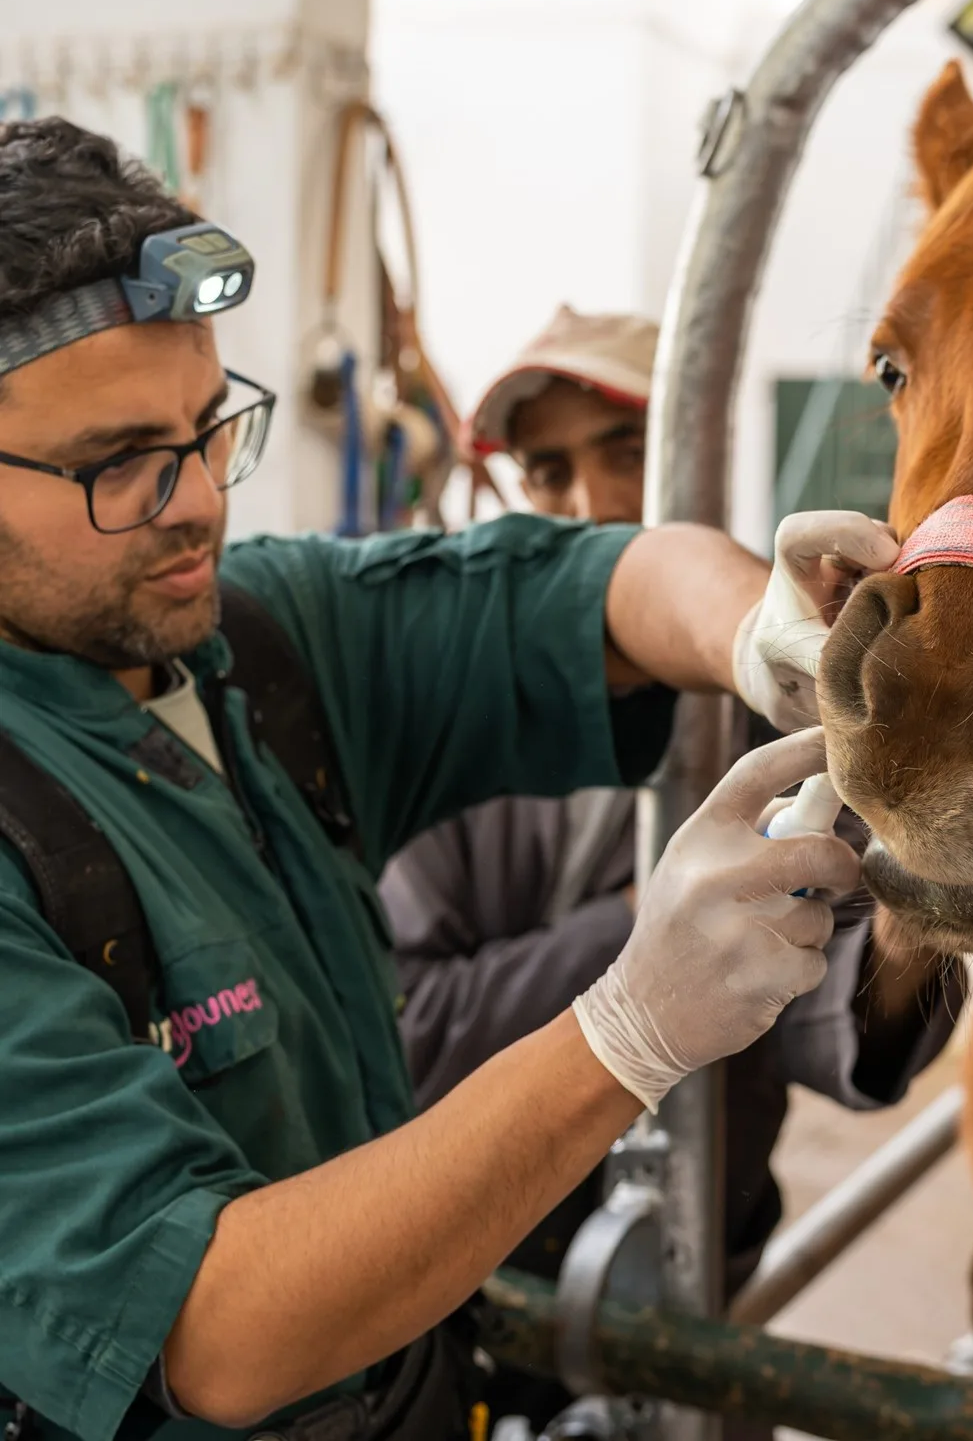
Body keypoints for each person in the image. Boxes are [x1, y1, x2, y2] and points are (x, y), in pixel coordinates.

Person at [0, 119, 902, 1441]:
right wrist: (627, 1029)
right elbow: (222, 1330)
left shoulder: (251, 641)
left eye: (207, 428)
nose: (194, 500)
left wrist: (754, 629)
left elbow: (585, 583)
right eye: (119, 464)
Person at [378, 309, 961, 1421]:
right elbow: (413, 1030)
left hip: (695, 1305)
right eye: (550, 470)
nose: (592, 504)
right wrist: (656, 943)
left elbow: (846, 1021)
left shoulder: (784, 721)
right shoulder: (455, 730)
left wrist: (927, 846)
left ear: (701, 463)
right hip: (468, 1287)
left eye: (629, 455)